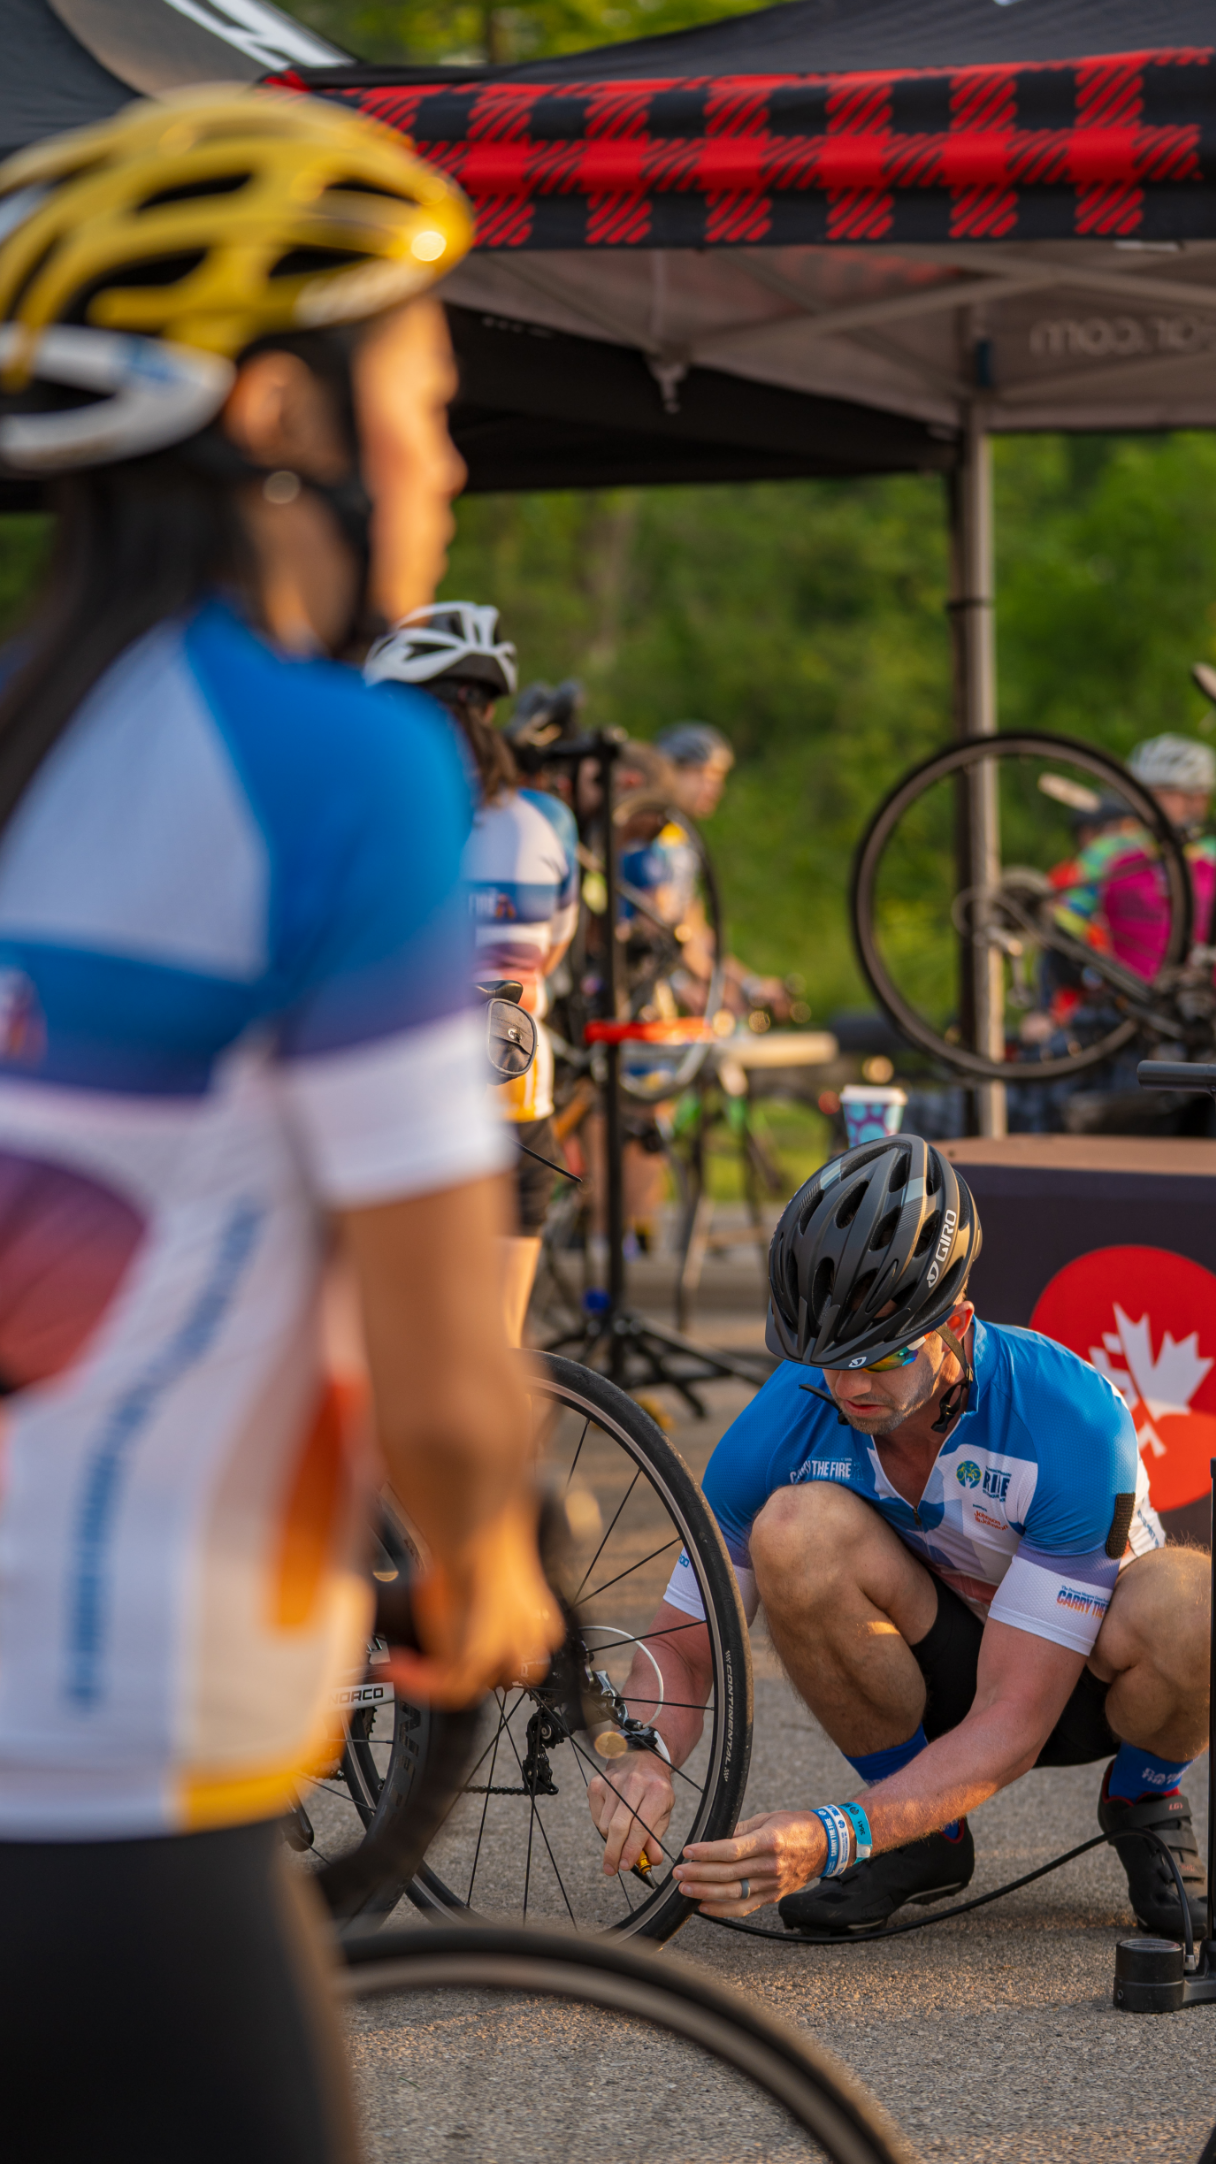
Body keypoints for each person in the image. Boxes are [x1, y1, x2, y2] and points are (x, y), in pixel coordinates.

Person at [0, 88, 558, 2162]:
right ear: (276, 410)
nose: (449, 453)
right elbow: (441, 1375)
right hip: (107, 1781)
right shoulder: (338, 767)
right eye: (424, 395)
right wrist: (485, 1553)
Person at [588, 1135, 1209, 1938]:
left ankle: (1144, 1797)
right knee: (793, 1531)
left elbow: (1014, 1720)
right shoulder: (786, 1416)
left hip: (1086, 1679)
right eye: (824, 1357)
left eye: (880, 1355)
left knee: (1192, 1603)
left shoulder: (1071, 1419)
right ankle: (925, 1841)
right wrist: (642, 1750)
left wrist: (834, 1834)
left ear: (956, 1325)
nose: (849, 1386)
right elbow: (681, 1649)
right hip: (938, 1664)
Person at [365, 603, 579, 1338]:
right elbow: (550, 950)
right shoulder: (547, 823)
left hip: (408, 1117)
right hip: (518, 1109)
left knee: (395, 1354)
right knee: (495, 1357)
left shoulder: (379, 815)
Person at [1051, 733, 1216, 982]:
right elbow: (1064, 928)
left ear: (1199, 800)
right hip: (1128, 997)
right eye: (1148, 793)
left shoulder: (1211, 857)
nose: (1154, 803)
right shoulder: (1107, 853)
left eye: (1168, 793)